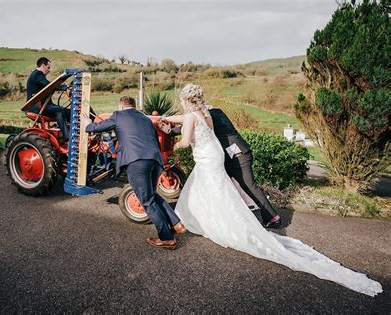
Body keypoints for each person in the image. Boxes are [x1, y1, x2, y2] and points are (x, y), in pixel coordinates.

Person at [161, 83, 382, 296]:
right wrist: (164, 120)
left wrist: (176, 142)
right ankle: (213, 218)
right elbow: (187, 121)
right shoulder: (205, 113)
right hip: (216, 154)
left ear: (187, 101)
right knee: (217, 189)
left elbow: (186, 133)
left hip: (224, 154)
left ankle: (259, 218)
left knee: (238, 187)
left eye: (182, 101)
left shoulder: (201, 114)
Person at [83, 96, 186, 250]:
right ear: (134, 105)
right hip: (155, 160)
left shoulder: (118, 115)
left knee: (146, 201)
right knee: (152, 195)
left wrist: (87, 125)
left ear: (121, 106)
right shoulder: (145, 118)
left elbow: (96, 128)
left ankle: (167, 238)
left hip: (137, 161)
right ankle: (177, 224)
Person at [160, 105, 281, 228]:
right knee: (221, 187)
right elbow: (190, 124)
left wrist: (167, 126)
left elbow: (188, 123)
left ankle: (273, 217)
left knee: (249, 186)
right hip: (228, 157)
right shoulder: (211, 113)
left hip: (237, 155)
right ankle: (222, 218)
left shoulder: (209, 115)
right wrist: (168, 124)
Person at [26, 57, 70, 139]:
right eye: (48, 67)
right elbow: (48, 85)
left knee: (68, 111)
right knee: (59, 110)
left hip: (42, 105)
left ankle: (74, 131)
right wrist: (63, 86)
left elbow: (49, 87)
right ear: (43, 65)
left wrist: (63, 87)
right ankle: (68, 137)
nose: (49, 70)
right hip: (35, 107)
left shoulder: (38, 75)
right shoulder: (37, 74)